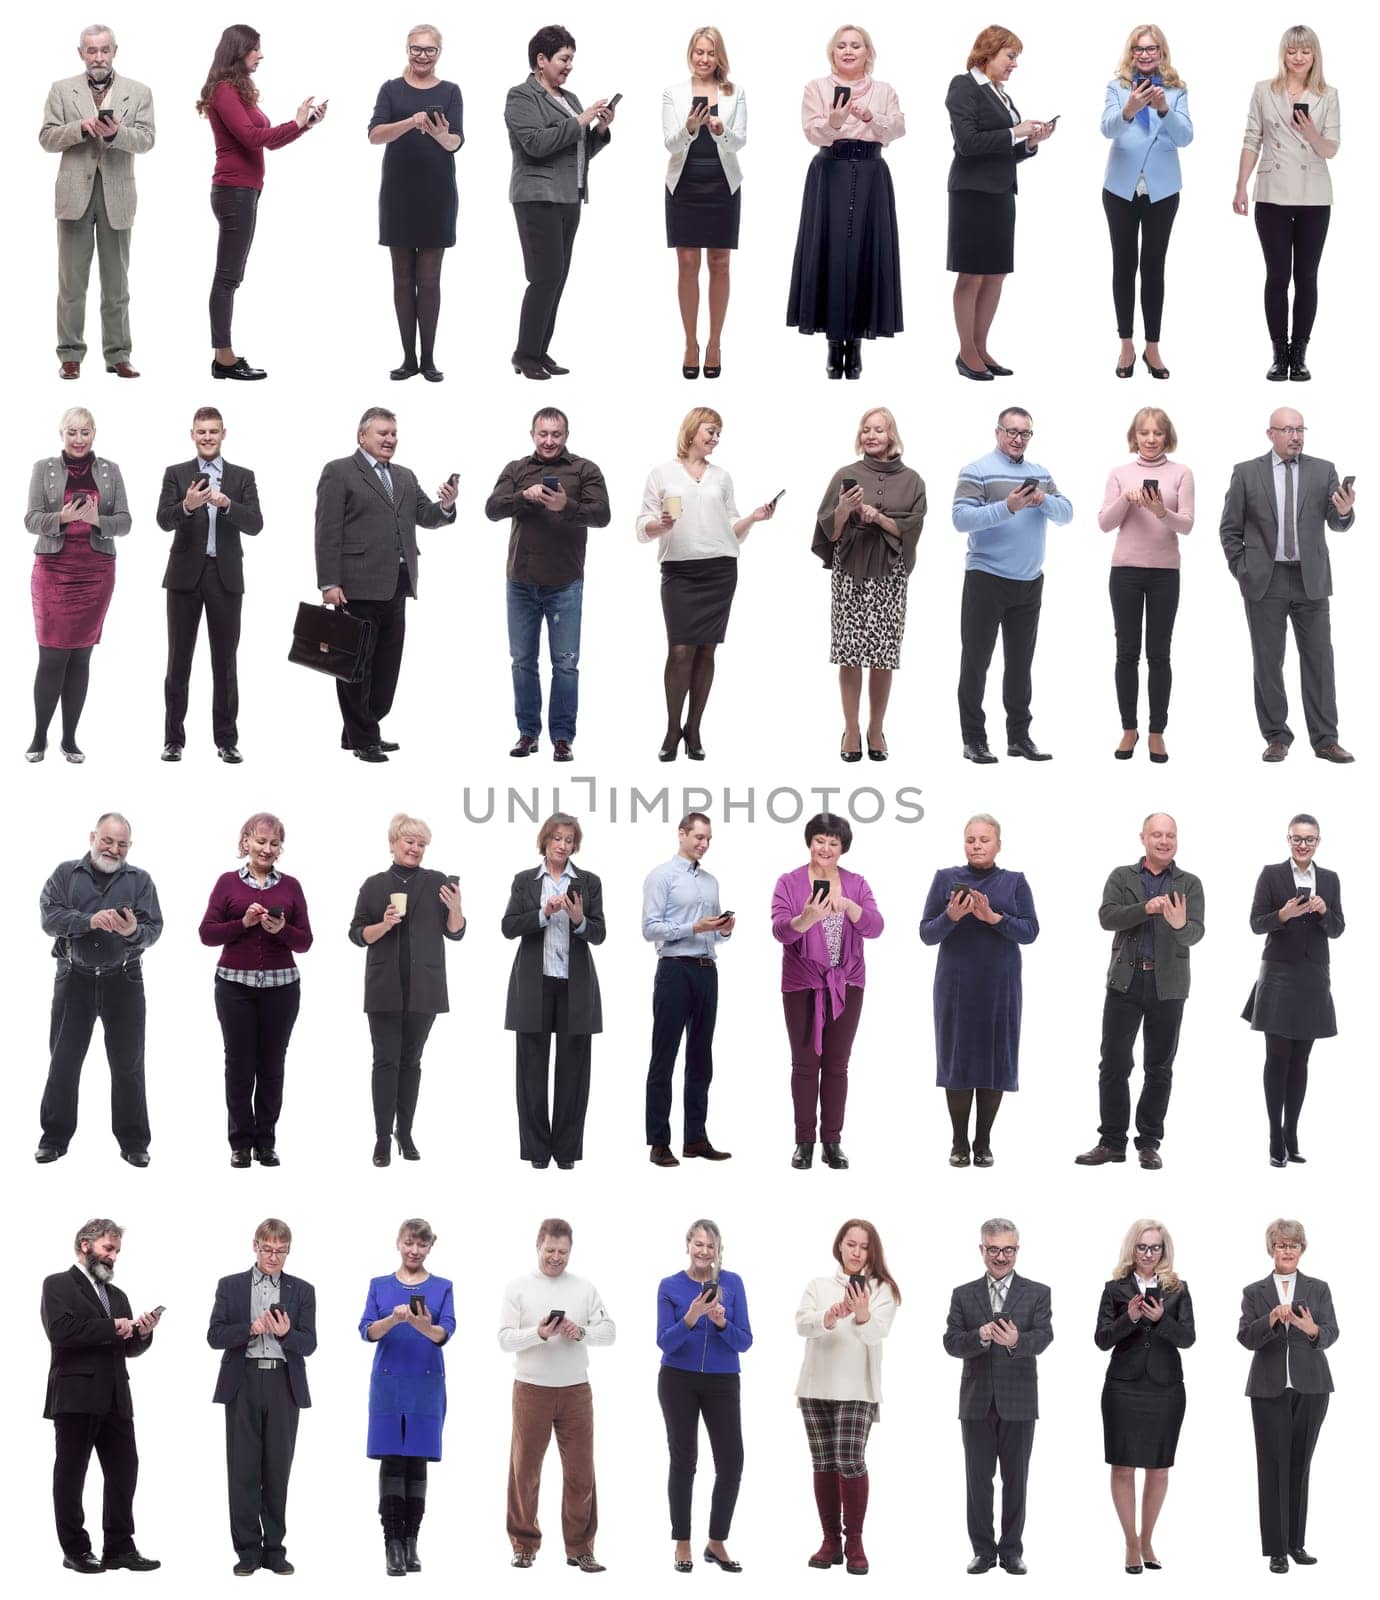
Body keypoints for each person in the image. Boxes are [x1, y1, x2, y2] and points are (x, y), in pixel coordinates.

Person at [314, 406, 458, 762]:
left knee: (385, 669)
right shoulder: (339, 472)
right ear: (362, 436)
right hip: (356, 586)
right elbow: (327, 531)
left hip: (398, 584)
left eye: (393, 433)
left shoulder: (406, 477)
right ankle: (365, 739)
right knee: (354, 668)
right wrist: (329, 582)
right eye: (382, 433)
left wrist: (446, 506)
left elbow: (425, 515)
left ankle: (360, 730)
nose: (389, 439)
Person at [1218, 407, 1356, 763]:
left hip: (1311, 579)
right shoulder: (1246, 473)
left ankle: (1325, 740)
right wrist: (1242, 569)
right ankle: (1277, 736)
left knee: (1320, 661)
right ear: (1271, 434)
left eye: (1300, 429)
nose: (1296, 436)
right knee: (1268, 662)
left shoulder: (1323, 470)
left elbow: (1337, 523)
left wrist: (1343, 511)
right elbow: (1229, 529)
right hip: (1265, 579)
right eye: (1288, 430)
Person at [637, 407, 775, 760]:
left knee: (706, 650)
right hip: (679, 571)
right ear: (692, 430)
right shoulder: (662, 473)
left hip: (720, 569)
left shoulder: (722, 476)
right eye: (710, 431)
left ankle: (694, 728)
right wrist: (660, 525)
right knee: (680, 650)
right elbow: (642, 526)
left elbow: (730, 528)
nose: (715, 439)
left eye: (718, 434)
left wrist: (753, 519)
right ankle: (672, 728)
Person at [1075, 815, 1205, 1171]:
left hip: (1169, 985)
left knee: (1159, 1067)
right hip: (1125, 981)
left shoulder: (1189, 883)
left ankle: (1148, 1143)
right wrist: (1144, 908)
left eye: (1170, 835)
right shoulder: (1122, 877)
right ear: (1143, 838)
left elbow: (1196, 933)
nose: (1164, 841)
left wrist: (1180, 925)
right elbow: (1107, 917)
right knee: (1114, 1064)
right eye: (1157, 835)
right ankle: (1112, 1142)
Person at [197, 24, 325, 380]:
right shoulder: (224, 91)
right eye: (255, 49)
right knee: (227, 278)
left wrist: (304, 126)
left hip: (245, 191)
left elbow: (267, 142)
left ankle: (224, 356)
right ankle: (223, 358)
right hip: (233, 192)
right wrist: (295, 122)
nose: (261, 54)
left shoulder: (239, 91)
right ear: (238, 50)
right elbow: (253, 138)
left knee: (231, 276)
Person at [484, 407, 611, 762]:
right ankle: (527, 734)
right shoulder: (516, 469)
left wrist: (565, 504)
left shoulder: (585, 469)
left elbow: (603, 515)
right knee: (522, 661)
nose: (549, 440)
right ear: (532, 435)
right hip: (521, 582)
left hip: (565, 583)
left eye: (556, 434)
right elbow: (492, 509)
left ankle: (562, 738)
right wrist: (524, 496)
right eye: (543, 434)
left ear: (566, 435)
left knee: (565, 664)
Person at [36, 814, 162, 1166]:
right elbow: (49, 919)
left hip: (124, 979)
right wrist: (87, 921)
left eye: (122, 844)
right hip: (73, 977)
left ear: (129, 847)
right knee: (63, 1061)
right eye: (108, 840)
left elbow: (154, 929)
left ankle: (134, 1142)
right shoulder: (65, 874)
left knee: (129, 1065)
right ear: (93, 836)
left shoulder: (141, 881)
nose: (113, 848)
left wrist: (133, 931)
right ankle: (55, 1137)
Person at [952, 406, 1073, 762]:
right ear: (997, 432)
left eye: (1025, 433)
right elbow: (960, 519)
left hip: (1029, 581)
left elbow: (1067, 514)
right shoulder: (977, 471)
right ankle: (973, 739)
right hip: (986, 578)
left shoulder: (1041, 474)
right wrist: (1008, 506)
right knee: (976, 662)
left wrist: (1043, 499)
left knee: (1021, 665)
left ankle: (1019, 737)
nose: (1018, 439)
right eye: (1012, 432)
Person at [41, 1219, 162, 1574]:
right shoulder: (58, 1284)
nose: (112, 1258)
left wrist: (142, 1333)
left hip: (116, 1397)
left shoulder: (117, 1295)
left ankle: (120, 1547)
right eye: (108, 1249)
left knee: (125, 1471)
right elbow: (60, 1331)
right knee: (71, 1474)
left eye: (116, 1252)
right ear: (85, 1245)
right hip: (76, 1395)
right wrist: (111, 1327)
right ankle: (75, 1550)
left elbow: (125, 1348)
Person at [786, 24, 905, 380]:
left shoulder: (884, 90)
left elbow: (898, 128)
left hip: (871, 172)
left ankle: (855, 345)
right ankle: (834, 342)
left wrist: (870, 116)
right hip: (830, 171)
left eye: (856, 45)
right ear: (832, 52)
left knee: (867, 253)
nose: (848, 51)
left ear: (868, 52)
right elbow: (811, 132)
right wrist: (834, 122)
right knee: (832, 255)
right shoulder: (816, 88)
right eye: (842, 46)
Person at [920, 815, 1039, 1168]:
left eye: (984, 839)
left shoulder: (1014, 882)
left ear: (998, 844)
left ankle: (983, 1142)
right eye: (971, 839)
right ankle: (958, 1141)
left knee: (994, 1060)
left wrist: (995, 919)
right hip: (955, 985)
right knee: (957, 1059)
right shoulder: (945, 879)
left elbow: (1031, 931)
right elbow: (927, 933)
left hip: (999, 985)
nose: (977, 845)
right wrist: (951, 917)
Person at [499, 1218, 616, 1573]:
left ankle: (580, 1547)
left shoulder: (583, 1288)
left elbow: (609, 1332)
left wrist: (580, 1331)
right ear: (538, 1246)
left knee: (581, 1471)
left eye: (562, 1252)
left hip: (576, 1390)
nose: (555, 1258)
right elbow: (504, 1339)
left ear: (570, 1251)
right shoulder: (518, 1288)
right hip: (531, 1389)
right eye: (550, 1250)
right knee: (525, 1470)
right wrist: (538, 1333)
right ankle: (523, 1544)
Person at [40, 23, 155, 380]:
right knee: (71, 283)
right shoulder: (61, 90)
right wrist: (81, 128)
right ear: (81, 54)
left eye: (104, 50)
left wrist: (117, 133)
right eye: (91, 51)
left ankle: (118, 354)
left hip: (117, 196)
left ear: (115, 51)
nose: (99, 57)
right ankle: (70, 354)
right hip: (74, 196)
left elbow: (148, 140)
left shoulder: (139, 92)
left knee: (117, 284)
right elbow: (46, 138)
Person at [198, 813, 313, 1169]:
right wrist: (243, 923)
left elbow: (306, 941)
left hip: (282, 989)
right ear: (245, 841)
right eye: (260, 841)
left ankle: (266, 1142)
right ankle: (240, 1143)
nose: (266, 849)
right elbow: (206, 934)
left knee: (272, 1066)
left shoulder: (291, 886)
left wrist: (280, 929)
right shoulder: (227, 883)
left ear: (281, 848)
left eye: (274, 843)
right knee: (239, 1065)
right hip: (234, 987)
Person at [349, 813, 465, 1167]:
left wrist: (456, 908)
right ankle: (382, 1138)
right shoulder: (372, 885)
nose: (415, 848)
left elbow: (456, 932)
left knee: (411, 1063)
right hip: (384, 988)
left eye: (421, 844)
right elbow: (356, 935)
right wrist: (382, 925)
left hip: (424, 988)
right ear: (393, 843)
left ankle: (406, 1132)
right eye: (409, 841)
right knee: (385, 1062)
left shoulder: (438, 882)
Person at [813, 406, 926, 762]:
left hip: (889, 573)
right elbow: (827, 529)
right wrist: (845, 510)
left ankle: (876, 728)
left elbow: (913, 527)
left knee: (882, 655)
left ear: (892, 434)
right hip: (850, 571)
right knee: (849, 653)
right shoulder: (845, 474)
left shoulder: (913, 480)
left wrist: (878, 517)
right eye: (865, 430)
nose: (871, 435)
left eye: (878, 429)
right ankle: (851, 728)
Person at [772, 812, 884, 1172]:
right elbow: (780, 930)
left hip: (847, 984)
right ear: (810, 842)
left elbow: (876, 926)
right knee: (804, 1064)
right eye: (820, 840)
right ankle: (804, 1141)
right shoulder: (789, 882)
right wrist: (805, 919)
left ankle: (832, 1142)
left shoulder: (856, 883)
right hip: (802, 984)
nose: (825, 848)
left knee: (837, 1065)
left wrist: (851, 907)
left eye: (833, 843)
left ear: (842, 849)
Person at [208, 1218, 317, 1578]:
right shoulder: (231, 1286)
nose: (273, 1257)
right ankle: (247, 1551)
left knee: (276, 1470)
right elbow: (214, 1335)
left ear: (289, 1251)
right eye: (267, 1249)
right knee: (242, 1470)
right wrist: (249, 1329)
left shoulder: (302, 1290)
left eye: (280, 1251)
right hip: (244, 1380)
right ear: (254, 1245)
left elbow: (310, 1344)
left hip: (284, 1384)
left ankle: (274, 1549)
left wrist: (287, 1335)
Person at [505, 24, 615, 380]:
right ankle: (524, 354)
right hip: (537, 197)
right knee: (544, 277)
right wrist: (581, 120)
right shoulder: (521, 96)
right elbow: (536, 145)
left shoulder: (570, 99)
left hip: (570, 197)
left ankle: (539, 350)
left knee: (559, 277)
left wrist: (598, 129)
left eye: (571, 59)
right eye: (564, 59)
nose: (569, 66)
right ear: (541, 60)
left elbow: (577, 151)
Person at [944, 1217, 1053, 1576]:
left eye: (1008, 1249)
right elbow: (950, 1342)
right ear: (982, 1250)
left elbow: (1044, 1336)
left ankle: (1011, 1551)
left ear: (1017, 1251)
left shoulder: (1037, 1292)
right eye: (994, 1249)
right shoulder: (963, 1294)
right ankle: (982, 1551)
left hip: (1019, 1400)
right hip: (976, 1401)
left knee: (1016, 1480)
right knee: (977, 1481)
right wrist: (980, 1336)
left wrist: (1016, 1342)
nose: (1001, 1257)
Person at [946, 27, 1054, 382]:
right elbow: (968, 143)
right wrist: (1016, 132)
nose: (1015, 64)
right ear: (988, 54)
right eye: (1010, 56)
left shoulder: (999, 94)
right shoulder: (964, 86)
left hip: (1001, 192)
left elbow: (1004, 153)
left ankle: (980, 346)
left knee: (995, 274)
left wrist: (1032, 143)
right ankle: (965, 352)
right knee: (972, 273)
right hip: (973, 194)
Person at [1233, 26, 1341, 381]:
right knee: (1277, 276)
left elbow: (1331, 149)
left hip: (1314, 196)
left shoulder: (1328, 95)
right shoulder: (1264, 91)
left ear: (1315, 56)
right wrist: (1241, 186)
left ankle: (1301, 353)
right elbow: (1252, 138)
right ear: (1283, 54)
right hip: (1272, 193)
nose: (1298, 57)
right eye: (1292, 50)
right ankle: (1279, 354)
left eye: (1305, 51)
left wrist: (1311, 132)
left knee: (1306, 275)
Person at [156, 405, 263, 763]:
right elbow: (162, 519)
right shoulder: (176, 473)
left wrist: (227, 503)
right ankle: (173, 740)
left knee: (225, 662)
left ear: (223, 434)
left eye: (213, 431)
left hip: (225, 577)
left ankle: (226, 740)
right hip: (185, 577)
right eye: (201, 431)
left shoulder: (242, 477)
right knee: (178, 662)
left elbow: (256, 524)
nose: (207, 437)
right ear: (192, 435)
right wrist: (186, 506)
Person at [796, 1218, 901, 1577]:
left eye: (864, 1246)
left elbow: (876, 1334)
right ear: (839, 1245)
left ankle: (854, 1540)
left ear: (872, 1251)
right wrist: (828, 1315)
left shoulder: (882, 1289)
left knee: (850, 1459)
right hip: (816, 1386)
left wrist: (860, 1312)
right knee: (823, 1462)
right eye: (851, 1244)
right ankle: (830, 1542)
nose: (856, 1252)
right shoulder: (818, 1285)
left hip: (857, 1389)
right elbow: (801, 1324)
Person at [24, 407, 130, 763]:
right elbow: (31, 519)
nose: (79, 439)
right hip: (53, 570)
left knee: (82, 655)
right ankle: (39, 737)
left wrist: (97, 518)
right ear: (61, 433)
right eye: (72, 432)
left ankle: (69, 739)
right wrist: (63, 517)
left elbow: (125, 522)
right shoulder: (44, 469)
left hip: (97, 571)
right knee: (52, 656)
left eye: (85, 432)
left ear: (94, 433)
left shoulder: (110, 470)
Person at [502, 813, 605, 1169]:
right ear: (544, 841)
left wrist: (578, 920)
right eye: (557, 838)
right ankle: (536, 1152)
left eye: (569, 840)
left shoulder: (589, 882)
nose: (563, 845)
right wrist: (542, 913)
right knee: (531, 1072)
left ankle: (566, 1152)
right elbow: (508, 926)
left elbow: (600, 934)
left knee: (574, 1072)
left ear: (575, 845)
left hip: (576, 987)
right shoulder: (525, 881)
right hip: (533, 986)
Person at [1241, 814, 1344, 1167]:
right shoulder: (1272, 874)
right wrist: (1282, 915)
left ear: (1318, 841)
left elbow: (1338, 929)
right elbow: (1256, 923)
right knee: (1278, 1057)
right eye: (1297, 839)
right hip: (1279, 974)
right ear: (1288, 840)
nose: (1303, 845)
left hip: (1314, 975)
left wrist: (1325, 910)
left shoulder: (1329, 879)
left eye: (1310, 840)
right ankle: (1273, 1134)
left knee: (1301, 1059)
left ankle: (1291, 1133)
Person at [1237, 1218, 1338, 1574]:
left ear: (1302, 1249)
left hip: (1312, 1386)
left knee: (1300, 1465)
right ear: (1271, 1249)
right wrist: (1271, 1320)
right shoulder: (1254, 1291)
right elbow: (1245, 1338)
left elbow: (1331, 1331)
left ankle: (1296, 1543)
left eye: (1293, 1245)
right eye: (1281, 1245)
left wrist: (1311, 1329)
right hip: (1268, 1388)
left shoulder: (1318, 1288)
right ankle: (1276, 1549)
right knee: (1273, 1467)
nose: (1287, 1250)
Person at [1094, 1220, 1195, 1574]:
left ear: (1164, 1250)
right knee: (1122, 1466)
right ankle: (1131, 1542)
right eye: (1142, 1247)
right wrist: (1131, 1317)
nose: (1148, 1254)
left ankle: (1148, 1538)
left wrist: (1162, 1319)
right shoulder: (1115, 1289)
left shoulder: (1177, 1288)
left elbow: (1188, 1338)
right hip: (1123, 1387)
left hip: (1166, 1388)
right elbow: (1102, 1339)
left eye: (1155, 1247)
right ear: (1131, 1249)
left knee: (1159, 1469)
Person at [368, 24, 464, 382]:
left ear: (439, 53)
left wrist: (441, 135)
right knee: (402, 277)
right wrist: (410, 121)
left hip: (438, 195)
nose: (422, 56)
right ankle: (408, 358)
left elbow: (456, 142)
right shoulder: (390, 90)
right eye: (416, 49)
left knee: (430, 277)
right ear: (406, 49)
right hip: (398, 195)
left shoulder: (452, 91)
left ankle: (429, 359)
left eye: (429, 50)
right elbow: (375, 135)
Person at [360, 1219, 455, 1577]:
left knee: (417, 1463)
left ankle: (412, 1541)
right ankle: (392, 1543)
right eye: (409, 1244)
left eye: (422, 1245)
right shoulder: (379, 1286)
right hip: (388, 1382)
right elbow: (367, 1330)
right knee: (392, 1461)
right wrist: (393, 1320)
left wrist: (422, 1325)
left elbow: (445, 1332)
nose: (415, 1251)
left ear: (431, 1246)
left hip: (426, 1383)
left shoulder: (443, 1287)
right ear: (398, 1243)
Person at [1099, 407, 1195, 760]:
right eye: (1144, 433)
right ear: (1134, 436)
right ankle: (1129, 729)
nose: (1151, 439)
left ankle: (1157, 731)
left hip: (1165, 573)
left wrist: (1160, 512)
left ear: (1166, 436)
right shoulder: (1120, 473)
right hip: (1125, 571)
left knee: (1159, 654)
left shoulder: (1182, 473)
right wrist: (1126, 499)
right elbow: (1104, 524)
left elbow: (1186, 525)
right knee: (1126, 652)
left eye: (1157, 433)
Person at [657, 1220, 752, 1572]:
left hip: (723, 1380)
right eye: (698, 1244)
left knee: (731, 1462)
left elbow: (745, 1341)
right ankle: (683, 1542)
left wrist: (723, 1323)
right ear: (687, 1245)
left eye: (710, 1246)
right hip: (677, 1380)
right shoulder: (670, 1286)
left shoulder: (733, 1283)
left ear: (718, 1251)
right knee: (684, 1461)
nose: (703, 1251)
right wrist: (692, 1317)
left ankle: (716, 1542)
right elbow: (664, 1341)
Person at [642, 814, 736, 1167]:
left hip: (707, 970)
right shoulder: (661, 876)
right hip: (674, 970)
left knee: (701, 1057)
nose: (704, 844)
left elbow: (710, 935)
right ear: (681, 834)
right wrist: (691, 926)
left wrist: (723, 930)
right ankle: (658, 1141)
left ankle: (695, 1137)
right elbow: (650, 929)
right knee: (663, 1057)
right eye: (698, 837)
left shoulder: (711, 882)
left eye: (708, 838)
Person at [1100, 25, 1193, 379]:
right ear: (1131, 52)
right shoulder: (1117, 87)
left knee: (1153, 267)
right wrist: (1129, 109)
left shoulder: (1176, 89)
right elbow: (1107, 129)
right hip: (1121, 188)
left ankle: (1152, 346)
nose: (1145, 54)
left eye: (1152, 48)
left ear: (1161, 52)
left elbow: (1186, 137)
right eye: (1139, 49)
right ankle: (1126, 343)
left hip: (1162, 189)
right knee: (1123, 266)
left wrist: (1164, 108)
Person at [664, 28, 746, 379]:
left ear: (719, 57)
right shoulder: (674, 93)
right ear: (690, 54)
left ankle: (714, 343)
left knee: (720, 263)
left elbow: (739, 142)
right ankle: (689, 343)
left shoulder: (734, 92)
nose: (703, 59)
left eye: (710, 53)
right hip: (684, 185)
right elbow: (671, 145)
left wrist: (719, 129)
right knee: (686, 264)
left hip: (721, 184)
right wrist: (689, 127)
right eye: (698, 52)